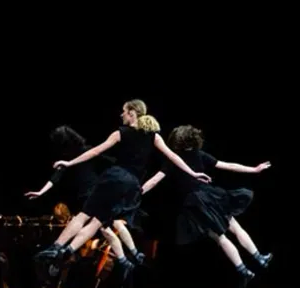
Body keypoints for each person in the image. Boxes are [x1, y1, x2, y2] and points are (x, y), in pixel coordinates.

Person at [45, 100, 211, 267]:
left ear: (132, 113)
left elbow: (95, 151)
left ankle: (56, 247)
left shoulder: (120, 133)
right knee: (100, 222)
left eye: (123, 111)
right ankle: (73, 251)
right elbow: (173, 157)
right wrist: (193, 173)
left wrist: (69, 163)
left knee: (85, 214)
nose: (121, 114)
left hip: (116, 178)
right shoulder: (154, 136)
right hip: (132, 185)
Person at [141, 124, 272, 288]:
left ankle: (243, 270)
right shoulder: (200, 155)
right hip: (210, 197)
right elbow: (229, 165)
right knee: (234, 227)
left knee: (220, 237)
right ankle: (258, 257)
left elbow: (154, 180)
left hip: (195, 204)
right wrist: (254, 169)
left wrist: (138, 192)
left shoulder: (174, 160)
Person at [25, 125, 144, 286]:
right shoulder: (73, 156)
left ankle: (128, 258)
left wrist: (41, 192)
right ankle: (127, 259)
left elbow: (107, 160)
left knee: (103, 226)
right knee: (106, 227)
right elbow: (56, 177)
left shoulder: (75, 156)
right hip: (97, 193)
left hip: (93, 195)